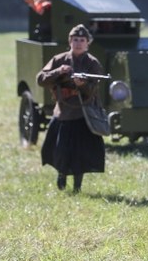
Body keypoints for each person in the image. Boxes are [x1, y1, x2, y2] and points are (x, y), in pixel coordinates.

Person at [38, 24, 106, 193]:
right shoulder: (59, 59)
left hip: (83, 115)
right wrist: (59, 71)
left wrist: (81, 85)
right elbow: (41, 79)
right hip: (62, 113)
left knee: (80, 154)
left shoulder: (92, 63)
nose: (78, 43)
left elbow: (93, 89)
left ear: (87, 43)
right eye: (75, 40)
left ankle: (77, 186)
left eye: (82, 40)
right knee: (60, 151)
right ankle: (61, 176)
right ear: (70, 41)